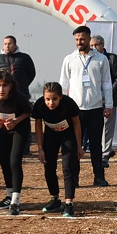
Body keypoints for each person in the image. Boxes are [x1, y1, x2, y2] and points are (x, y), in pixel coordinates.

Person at [60, 25, 113, 187]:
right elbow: (63, 83)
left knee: (96, 145)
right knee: (74, 145)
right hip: (75, 110)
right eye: (77, 39)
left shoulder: (101, 59)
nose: (79, 42)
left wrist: (108, 104)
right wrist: (62, 107)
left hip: (95, 108)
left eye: (82, 39)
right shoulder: (69, 59)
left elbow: (106, 83)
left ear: (89, 39)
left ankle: (99, 177)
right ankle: (74, 178)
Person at [32, 81, 82, 217]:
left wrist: (79, 146)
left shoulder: (69, 104)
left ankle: (69, 203)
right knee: (48, 165)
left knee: (68, 166)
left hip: (68, 134)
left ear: (60, 97)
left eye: (54, 99)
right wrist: (40, 148)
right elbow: (38, 126)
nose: (50, 103)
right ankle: (55, 199)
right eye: (47, 99)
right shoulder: (39, 105)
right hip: (51, 134)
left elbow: (77, 123)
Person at [0, 70, 31, 215]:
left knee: (14, 162)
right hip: (3, 130)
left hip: (19, 129)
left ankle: (15, 201)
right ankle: (9, 195)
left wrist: (16, 121)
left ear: (10, 86)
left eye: (4, 85)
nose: (1, 89)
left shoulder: (19, 97)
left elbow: (28, 112)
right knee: (4, 161)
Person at [94, 34, 117, 160]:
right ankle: (103, 149)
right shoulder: (90, 60)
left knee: (107, 127)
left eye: (96, 45)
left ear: (103, 45)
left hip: (109, 100)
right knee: (96, 127)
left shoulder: (112, 58)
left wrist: (109, 94)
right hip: (93, 100)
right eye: (91, 45)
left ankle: (105, 154)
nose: (94, 47)